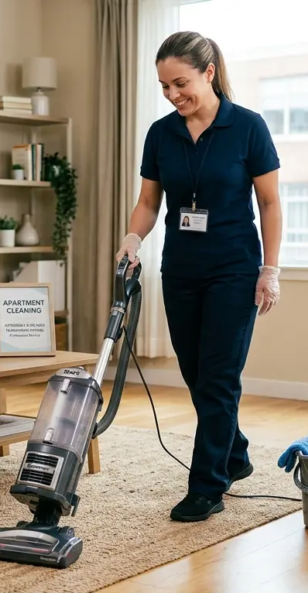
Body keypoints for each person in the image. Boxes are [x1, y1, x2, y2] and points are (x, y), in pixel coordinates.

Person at [115, 31, 282, 522]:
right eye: (165, 86)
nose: (173, 95)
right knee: (196, 374)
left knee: (219, 376)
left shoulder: (247, 127)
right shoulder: (161, 133)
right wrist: (132, 238)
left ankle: (207, 485)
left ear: (209, 73)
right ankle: (235, 453)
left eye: (181, 83)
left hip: (234, 269)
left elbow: (269, 204)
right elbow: (149, 203)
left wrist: (269, 271)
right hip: (182, 271)